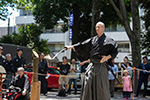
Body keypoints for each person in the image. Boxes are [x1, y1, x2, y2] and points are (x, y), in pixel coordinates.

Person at [65, 21, 118, 100]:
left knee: (101, 87)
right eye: (96, 27)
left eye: (99, 27)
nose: (97, 28)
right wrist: (71, 47)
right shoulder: (93, 39)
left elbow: (115, 51)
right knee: (87, 83)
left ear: (103, 28)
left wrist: (107, 57)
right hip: (92, 65)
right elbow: (82, 44)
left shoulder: (109, 40)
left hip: (101, 66)